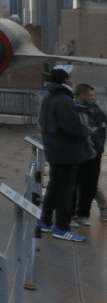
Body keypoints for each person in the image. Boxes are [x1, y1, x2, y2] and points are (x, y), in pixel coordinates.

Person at [38, 65, 94, 242]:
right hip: (66, 152)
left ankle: (45, 221)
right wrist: (86, 131)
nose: (71, 79)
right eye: (69, 76)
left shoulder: (48, 98)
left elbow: (42, 121)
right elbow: (70, 126)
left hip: (54, 150)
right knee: (65, 189)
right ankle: (62, 227)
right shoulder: (64, 99)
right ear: (65, 80)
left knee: (54, 186)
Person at [73, 84, 107, 225]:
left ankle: (84, 213)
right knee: (75, 183)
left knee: (90, 184)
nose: (93, 98)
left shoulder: (96, 111)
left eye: (93, 95)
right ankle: (72, 212)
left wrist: (98, 147)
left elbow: (102, 130)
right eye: (91, 95)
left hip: (93, 153)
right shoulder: (74, 110)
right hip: (78, 153)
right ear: (81, 95)